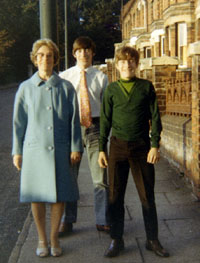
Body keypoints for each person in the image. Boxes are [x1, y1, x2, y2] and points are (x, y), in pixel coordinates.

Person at [12, 38, 83, 257]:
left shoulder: (66, 87)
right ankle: (41, 239)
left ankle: (54, 238)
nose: (45, 59)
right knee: (37, 196)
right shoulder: (25, 88)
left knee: (60, 195)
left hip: (60, 149)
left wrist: (75, 147)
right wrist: (17, 151)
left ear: (55, 60)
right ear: (35, 59)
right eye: (41, 55)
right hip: (34, 151)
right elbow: (18, 123)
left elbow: (74, 120)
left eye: (49, 55)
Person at [98, 46, 170, 258]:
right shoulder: (111, 90)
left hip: (141, 148)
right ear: (117, 65)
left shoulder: (146, 87)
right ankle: (116, 240)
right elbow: (105, 120)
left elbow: (155, 117)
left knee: (147, 196)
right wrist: (102, 148)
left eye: (131, 61)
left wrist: (155, 144)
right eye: (122, 61)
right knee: (115, 196)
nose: (127, 65)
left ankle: (152, 239)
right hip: (117, 147)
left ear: (136, 64)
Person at [59, 36, 109, 235]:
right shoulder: (64, 77)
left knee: (100, 176)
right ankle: (67, 220)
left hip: (95, 128)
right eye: (79, 50)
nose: (84, 54)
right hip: (72, 129)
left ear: (92, 52)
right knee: (70, 177)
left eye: (87, 50)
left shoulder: (100, 77)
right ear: (74, 54)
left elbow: (106, 109)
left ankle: (102, 219)